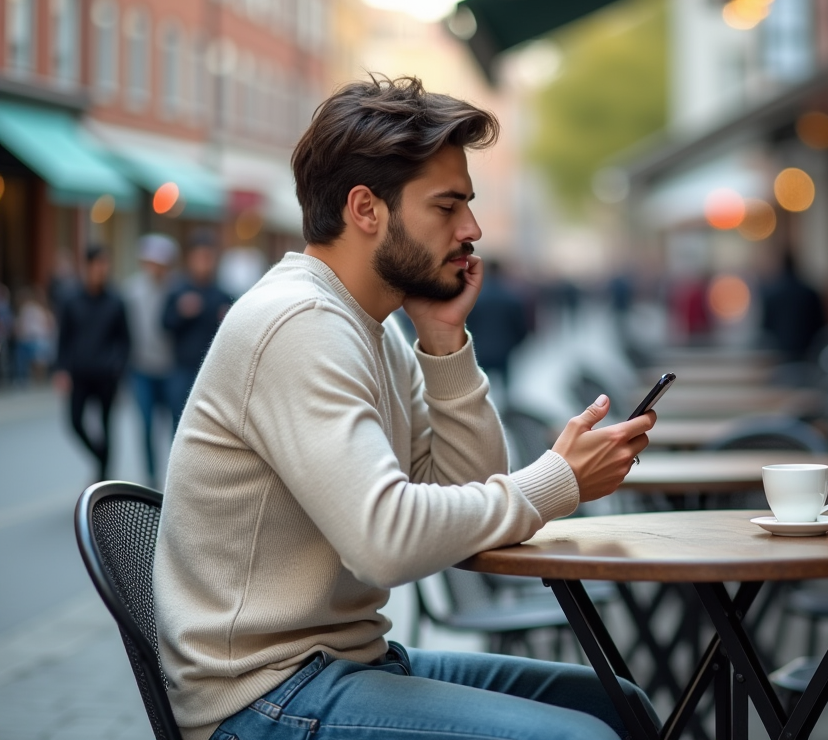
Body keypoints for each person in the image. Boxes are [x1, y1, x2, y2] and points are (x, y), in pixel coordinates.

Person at [154, 75, 658, 740]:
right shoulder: (299, 322)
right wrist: (556, 482)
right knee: (581, 739)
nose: (472, 229)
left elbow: (468, 497)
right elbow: (385, 544)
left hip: (345, 665)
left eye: (468, 206)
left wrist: (444, 343)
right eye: (447, 207)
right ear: (367, 210)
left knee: (618, 706)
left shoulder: (372, 326)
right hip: (262, 697)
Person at [54, 245, 130, 481]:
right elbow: (63, 337)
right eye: (98, 264)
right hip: (79, 374)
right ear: (87, 267)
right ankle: (101, 457)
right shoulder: (71, 300)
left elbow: (125, 340)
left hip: (106, 376)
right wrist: (61, 369)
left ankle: (103, 476)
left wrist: (118, 367)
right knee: (75, 422)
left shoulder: (116, 301)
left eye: (105, 264)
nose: (102, 269)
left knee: (107, 427)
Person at [161, 231, 233, 428]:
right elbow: (164, 325)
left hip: (212, 372)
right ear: (190, 258)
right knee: (178, 425)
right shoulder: (177, 291)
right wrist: (181, 312)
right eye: (199, 257)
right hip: (181, 370)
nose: (203, 262)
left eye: (207, 257)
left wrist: (227, 320)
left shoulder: (222, 295)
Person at [124, 234, 179, 485]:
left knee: (176, 426)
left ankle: (174, 475)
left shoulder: (177, 290)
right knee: (145, 425)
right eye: (150, 261)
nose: (154, 267)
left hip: (171, 368)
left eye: (160, 262)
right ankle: (150, 476)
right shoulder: (131, 292)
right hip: (141, 368)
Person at [465, 259, 530, 390]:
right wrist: (514, 344)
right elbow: (521, 326)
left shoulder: (475, 298)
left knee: (480, 388)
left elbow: (467, 324)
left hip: (480, 349)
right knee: (506, 387)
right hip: (505, 349)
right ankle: (506, 408)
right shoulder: (511, 297)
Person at [760, 252, 826, 361]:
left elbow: (766, 326)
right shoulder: (809, 292)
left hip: (781, 351)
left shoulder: (771, 295)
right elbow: (820, 323)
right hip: (807, 351)